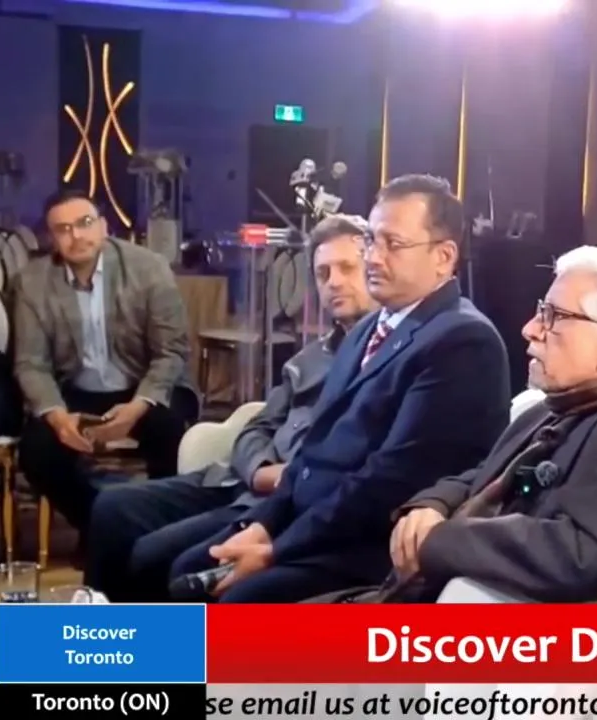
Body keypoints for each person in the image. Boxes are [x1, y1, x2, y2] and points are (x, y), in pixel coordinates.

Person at [167, 174, 511, 603]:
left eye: (393, 244)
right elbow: (313, 450)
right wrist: (265, 524)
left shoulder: (463, 341)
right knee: (181, 567)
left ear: (443, 257)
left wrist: (276, 550)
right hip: (308, 521)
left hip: (370, 545)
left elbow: (387, 482)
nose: (374, 258)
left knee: (231, 599)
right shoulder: (368, 327)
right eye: (371, 241)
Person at [338, 246, 597, 603]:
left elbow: (576, 553)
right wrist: (434, 504)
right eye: (541, 311)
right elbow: (486, 475)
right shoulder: (557, 406)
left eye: (554, 315)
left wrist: (439, 540)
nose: (530, 328)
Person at [83, 215, 377, 601]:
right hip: (237, 480)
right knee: (112, 506)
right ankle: (92, 625)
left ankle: (136, 636)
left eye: (346, 268)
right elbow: (257, 427)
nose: (334, 282)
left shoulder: (384, 360)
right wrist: (258, 470)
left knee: (152, 556)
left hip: (284, 500)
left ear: (374, 268)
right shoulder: (307, 360)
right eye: (323, 273)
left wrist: (289, 478)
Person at [13, 189, 196, 539]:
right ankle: (102, 525)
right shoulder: (32, 282)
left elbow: (171, 351)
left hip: (143, 383)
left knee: (170, 431)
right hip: (76, 390)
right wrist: (58, 418)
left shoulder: (148, 268)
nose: (76, 236)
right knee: (36, 452)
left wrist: (137, 407)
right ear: (52, 239)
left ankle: (158, 532)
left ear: (103, 226)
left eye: (84, 223)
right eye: (63, 229)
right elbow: (31, 364)